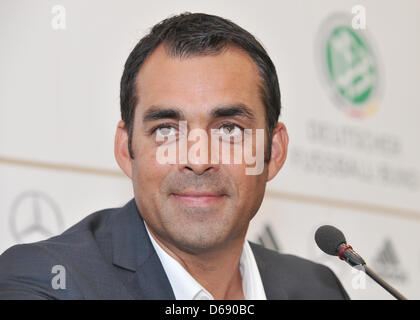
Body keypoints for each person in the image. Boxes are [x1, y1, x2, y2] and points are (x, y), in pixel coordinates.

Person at [0, 12, 349, 300]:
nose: (197, 160)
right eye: (166, 130)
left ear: (274, 151)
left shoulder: (318, 289)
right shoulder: (44, 283)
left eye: (229, 130)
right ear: (127, 149)